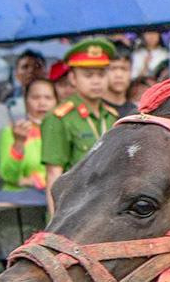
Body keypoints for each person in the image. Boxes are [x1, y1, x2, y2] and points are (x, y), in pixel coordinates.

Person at [39, 38, 120, 194]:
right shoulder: (60, 118)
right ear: (73, 78)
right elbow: (53, 175)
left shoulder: (111, 116)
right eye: (88, 76)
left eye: (101, 74)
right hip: (74, 207)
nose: (96, 81)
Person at [0, 77, 56, 190]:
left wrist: (39, 181)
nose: (42, 103)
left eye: (48, 98)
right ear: (25, 101)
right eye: (35, 97)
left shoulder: (62, 133)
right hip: (19, 201)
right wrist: (19, 142)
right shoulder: (11, 132)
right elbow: (8, 175)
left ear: (56, 101)